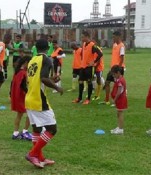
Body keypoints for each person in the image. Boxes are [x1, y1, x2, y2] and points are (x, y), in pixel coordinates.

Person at [25, 38, 63, 168]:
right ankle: (33, 154)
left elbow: (38, 79)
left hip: (29, 98)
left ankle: (40, 158)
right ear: (48, 48)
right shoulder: (46, 59)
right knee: (52, 129)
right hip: (38, 99)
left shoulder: (32, 60)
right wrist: (56, 87)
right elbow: (43, 79)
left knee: (37, 128)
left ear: (36, 48)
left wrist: (51, 79)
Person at [72, 31, 103, 105]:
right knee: (80, 81)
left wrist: (94, 61)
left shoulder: (92, 45)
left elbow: (100, 54)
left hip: (89, 68)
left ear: (87, 37)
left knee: (89, 82)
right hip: (82, 67)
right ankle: (79, 98)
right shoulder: (84, 44)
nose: (82, 38)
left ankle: (88, 99)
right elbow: (83, 54)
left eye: (83, 37)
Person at [11, 56, 32, 140]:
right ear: (26, 63)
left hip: (18, 96)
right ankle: (25, 132)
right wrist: (28, 93)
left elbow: (13, 85)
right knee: (30, 114)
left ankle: (15, 133)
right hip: (22, 97)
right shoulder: (23, 73)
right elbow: (23, 86)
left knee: (19, 115)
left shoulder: (18, 71)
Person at [101, 31, 126, 105]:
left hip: (118, 69)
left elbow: (122, 58)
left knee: (118, 85)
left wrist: (118, 69)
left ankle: (117, 100)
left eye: (114, 37)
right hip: (112, 68)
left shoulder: (122, 46)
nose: (113, 38)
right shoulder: (114, 45)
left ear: (118, 37)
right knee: (107, 82)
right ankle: (107, 99)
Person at [110, 65, 127, 135]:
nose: (113, 76)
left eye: (114, 74)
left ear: (118, 73)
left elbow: (119, 91)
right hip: (119, 99)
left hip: (121, 99)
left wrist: (115, 99)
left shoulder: (120, 81)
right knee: (118, 113)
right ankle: (119, 127)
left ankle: (121, 129)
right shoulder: (119, 80)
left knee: (120, 113)